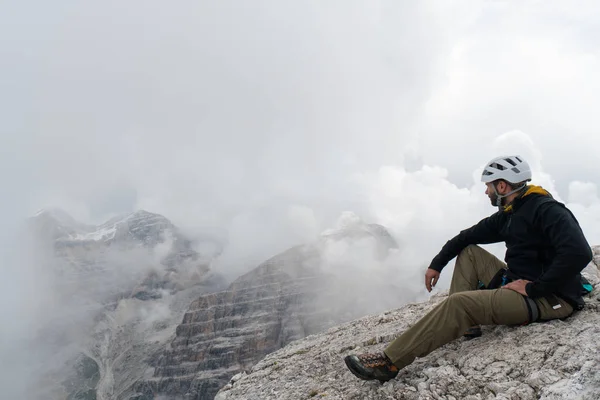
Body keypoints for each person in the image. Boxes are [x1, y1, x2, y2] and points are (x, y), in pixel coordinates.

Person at [344, 155, 593, 383]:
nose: (486, 191)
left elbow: (579, 252)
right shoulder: (510, 213)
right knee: (470, 252)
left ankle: (388, 363)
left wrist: (535, 288)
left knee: (459, 303)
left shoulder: (546, 210)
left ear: (502, 186)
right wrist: (437, 264)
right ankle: (465, 325)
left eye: (488, 185)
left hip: (549, 298)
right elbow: (466, 237)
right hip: (519, 284)